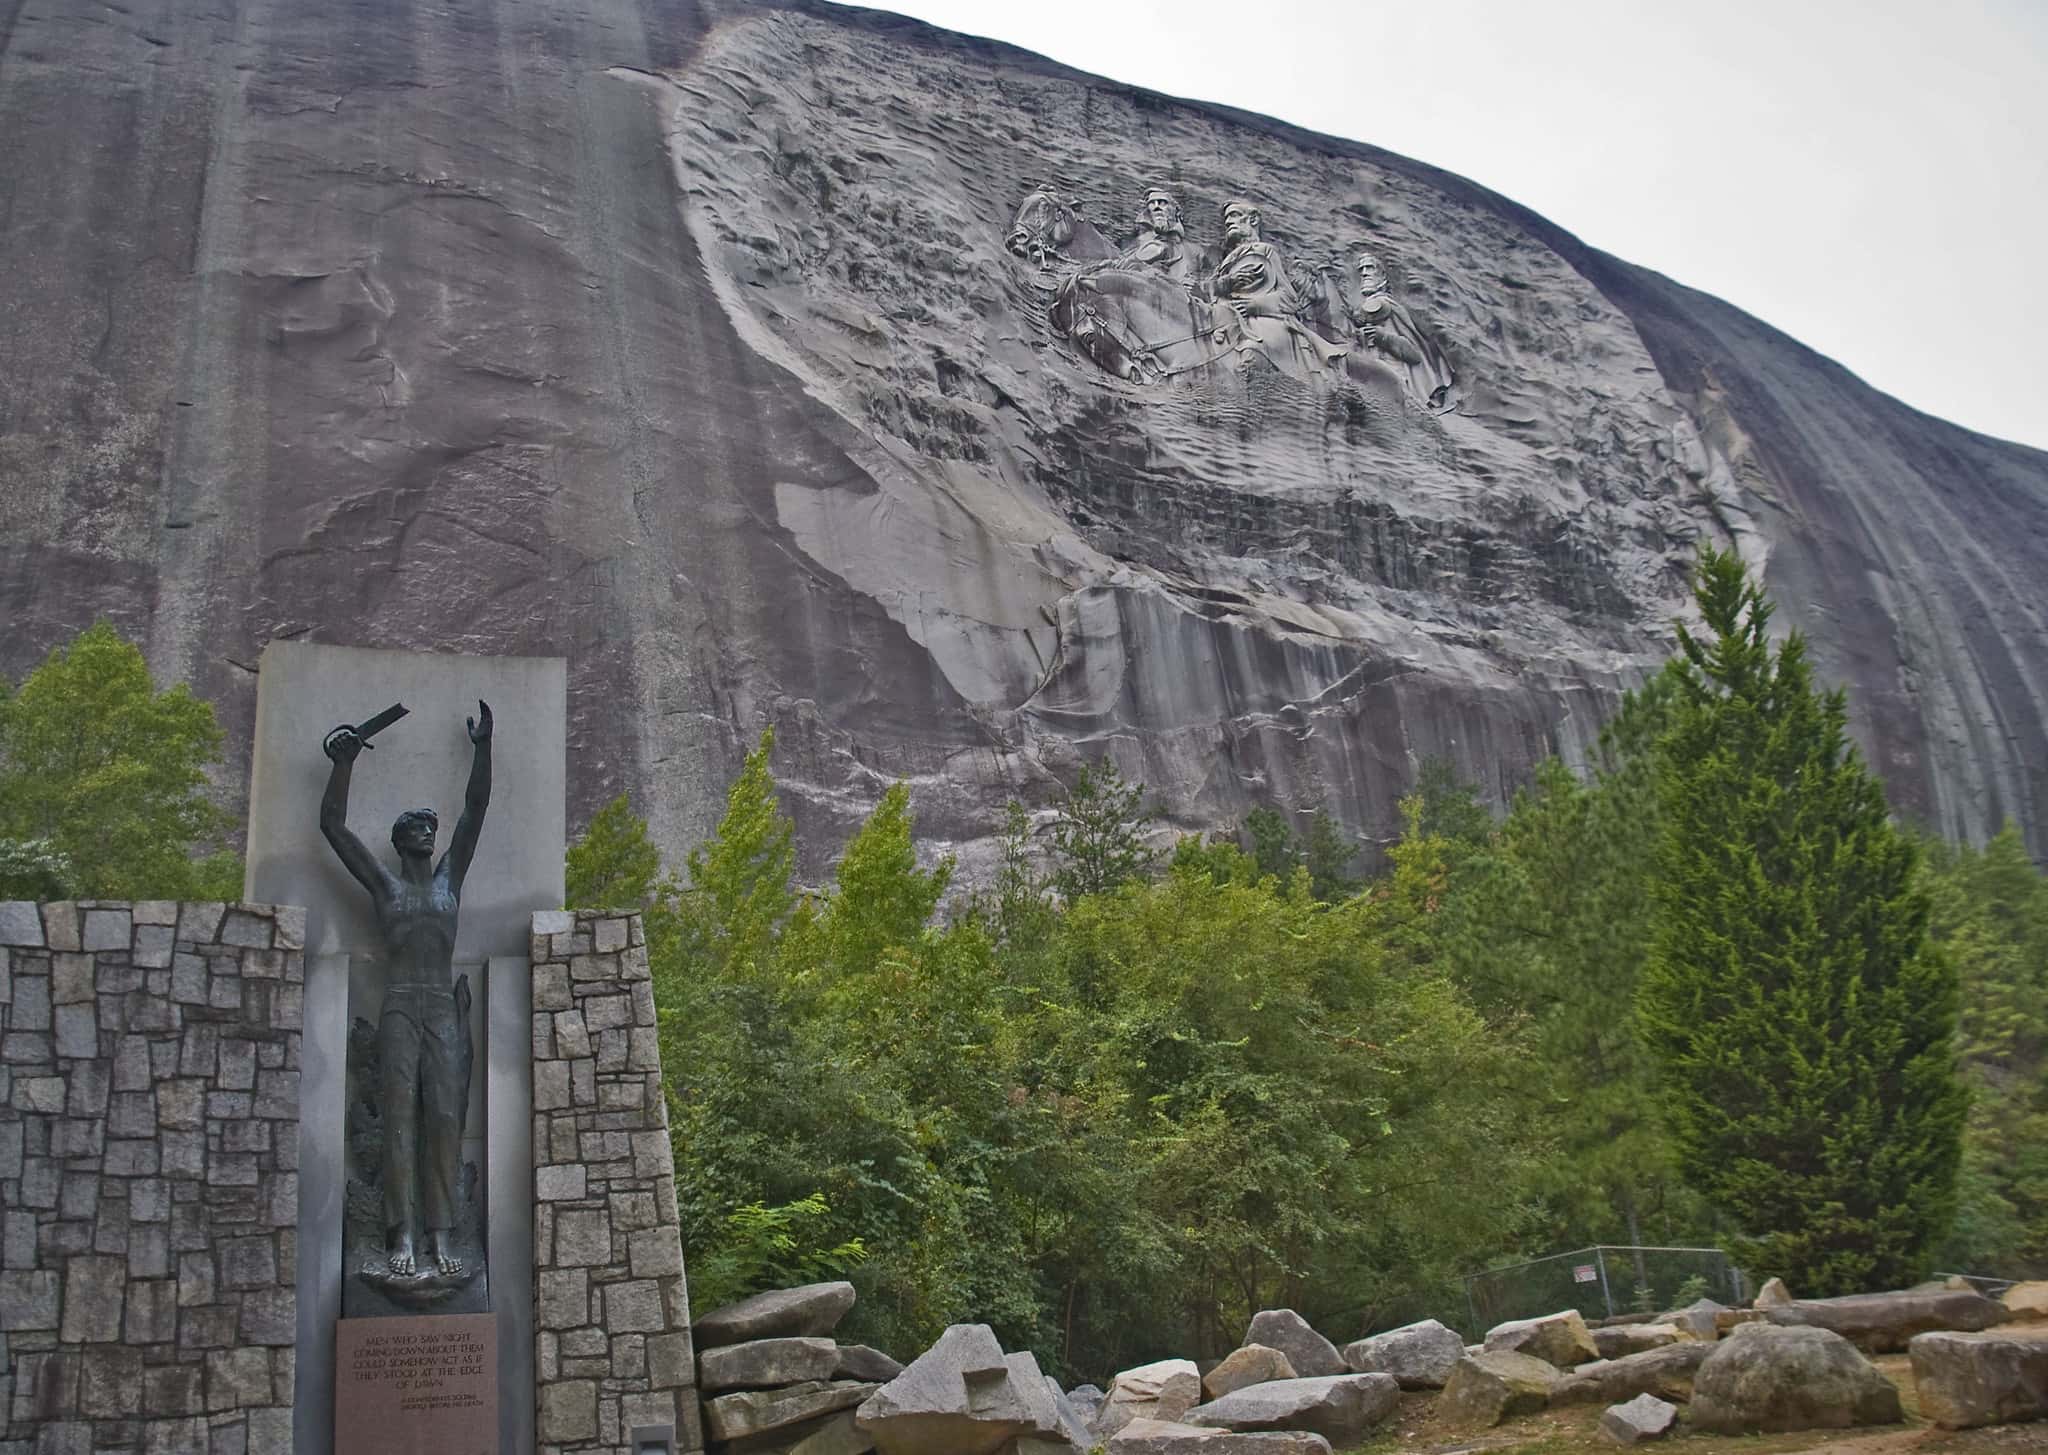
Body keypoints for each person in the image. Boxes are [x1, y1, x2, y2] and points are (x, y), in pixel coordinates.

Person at [320, 701, 492, 1278]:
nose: (428, 832)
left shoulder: (450, 880)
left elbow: (474, 810)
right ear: (400, 840)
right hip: (399, 1006)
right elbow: (334, 828)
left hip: (442, 1007)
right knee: (399, 1120)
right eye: (418, 827)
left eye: (430, 827)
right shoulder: (385, 887)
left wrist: (483, 748)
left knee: (444, 1119)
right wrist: (343, 763)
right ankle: (402, 1234)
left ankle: (442, 1235)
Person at [1205, 200, 1347, 375]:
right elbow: (1211, 291)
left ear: (1253, 220)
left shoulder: (1265, 251)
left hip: (1263, 320)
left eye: (1234, 215)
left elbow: (1288, 297)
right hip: (1227, 319)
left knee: (1250, 354)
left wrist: (1253, 306)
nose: (1228, 222)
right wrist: (1228, 281)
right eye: (1227, 218)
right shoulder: (1224, 263)